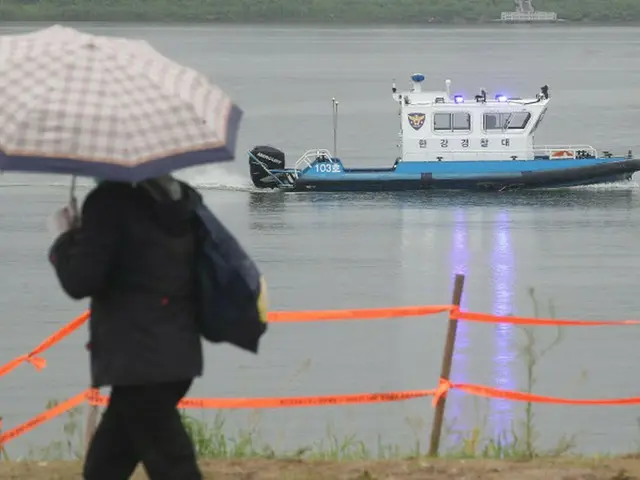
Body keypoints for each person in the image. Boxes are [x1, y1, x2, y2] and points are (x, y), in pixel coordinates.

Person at [48, 175, 204, 480]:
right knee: (104, 467)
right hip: (179, 352)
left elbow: (80, 281)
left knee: (173, 466)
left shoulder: (108, 202)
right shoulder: (181, 198)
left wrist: (65, 240)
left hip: (137, 361)